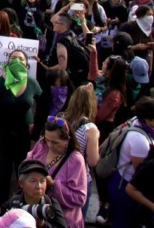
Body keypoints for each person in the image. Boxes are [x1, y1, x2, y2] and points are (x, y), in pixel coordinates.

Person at [0, 50, 43, 204]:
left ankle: (22, 205)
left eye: (21, 58)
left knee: (23, 172)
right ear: (7, 61)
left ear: (26, 64)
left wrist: (36, 132)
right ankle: (3, 205)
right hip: (2, 136)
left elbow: (44, 106)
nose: (17, 61)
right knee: (3, 173)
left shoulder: (32, 83)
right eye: (13, 58)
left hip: (24, 136)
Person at [105, 97, 154, 228]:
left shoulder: (138, 123)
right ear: (148, 120)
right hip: (124, 186)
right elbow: (140, 171)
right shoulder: (139, 140)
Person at [25, 116, 88, 228]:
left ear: (67, 140)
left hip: (62, 221)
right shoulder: (41, 144)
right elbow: (27, 163)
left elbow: (80, 198)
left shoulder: (75, 160)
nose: (49, 145)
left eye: (55, 142)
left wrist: (54, 185)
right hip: (38, 217)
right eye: (47, 139)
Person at [61, 85, 100, 220]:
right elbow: (93, 161)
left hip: (58, 174)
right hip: (79, 178)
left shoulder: (60, 119)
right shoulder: (90, 129)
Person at [0, 160, 66, 228]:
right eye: (33, 181)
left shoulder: (51, 203)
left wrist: (43, 225)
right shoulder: (11, 205)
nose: (39, 186)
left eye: (42, 181)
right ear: (21, 183)